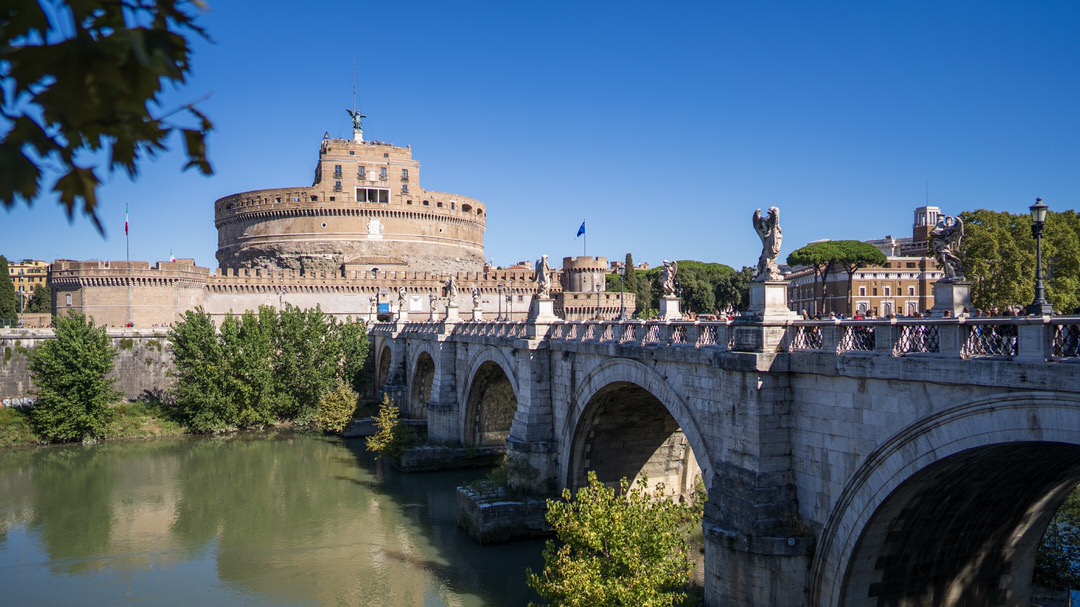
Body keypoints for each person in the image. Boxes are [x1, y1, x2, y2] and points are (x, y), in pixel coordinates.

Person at [930, 215, 965, 282]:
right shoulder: (944, 229)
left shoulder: (950, 229)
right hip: (941, 248)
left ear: (951, 221)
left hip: (946, 248)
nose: (947, 222)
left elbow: (958, 227)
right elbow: (934, 233)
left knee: (945, 260)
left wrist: (959, 221)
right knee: (945, 261)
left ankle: (952, 275)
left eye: (949, 220)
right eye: (946, 220)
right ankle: (949, 275)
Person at [752, 207, 783, 281]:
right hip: (767, 251)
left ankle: (768, 270)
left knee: (772, 255)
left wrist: (774, 213)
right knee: (766, 257)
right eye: (763, 226)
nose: (763, 228)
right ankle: (765, 270)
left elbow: (775, 224)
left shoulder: (774, 233)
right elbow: (757, 227)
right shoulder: (764, 235)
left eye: (765, 226)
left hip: (773, 246)